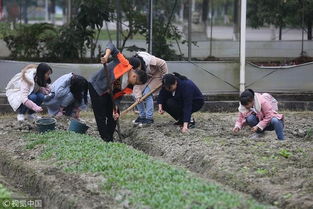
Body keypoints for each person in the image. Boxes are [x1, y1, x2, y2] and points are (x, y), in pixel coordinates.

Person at [89, 42, 148, 142]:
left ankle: (110, 137)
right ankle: (106, 139)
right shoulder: (124, 63)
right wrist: (106, 56)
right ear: (134, 76)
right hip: (96, 86)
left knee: (114, 115)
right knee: (101, 115)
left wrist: (115, 108)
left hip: (108, 93)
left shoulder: (129, 86)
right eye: (137, 83)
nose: (135, 85)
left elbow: (117, 97)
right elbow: (111, 45)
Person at [131, 52, 168, 126]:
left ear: (140, 64)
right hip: (146, 78)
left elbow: (163, 63)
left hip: (157, 76)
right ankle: (142, 116)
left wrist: (165, 77)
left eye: (138, 68)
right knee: (135, 95)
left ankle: (149, 118)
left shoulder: (150, 60)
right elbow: (136, 84)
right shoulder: (133, 70)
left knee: (147, 94)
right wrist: (138, 96)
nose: (137, 70)